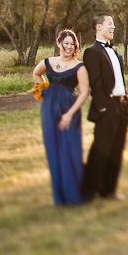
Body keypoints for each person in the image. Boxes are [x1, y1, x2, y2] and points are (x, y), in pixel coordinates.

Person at [32, 29, 90, 205]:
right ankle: (59, 196)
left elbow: (85, 92)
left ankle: (74, 194)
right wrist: (42, 93)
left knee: (70, 150)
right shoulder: (48, 62)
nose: (69, 47)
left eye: (72, 44)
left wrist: (69, 113)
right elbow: (36, 73)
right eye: (66, 43)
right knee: (53, 151)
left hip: (69, 110)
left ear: (75, 47)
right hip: (49, 109)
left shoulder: (79, 67)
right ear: (59, 44)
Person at [81, 13, 128, 201]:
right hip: (107, 107)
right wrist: (103, 107)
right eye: (109, 23)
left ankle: (108, 190)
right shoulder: (92, 52)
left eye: (113, 24)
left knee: (117, 149)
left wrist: (124, 101)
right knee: (101, 149)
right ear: (98, 27)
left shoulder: (115, 51)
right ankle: (89, 190)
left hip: (122, 105)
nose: (113, 27)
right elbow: (96, 82)